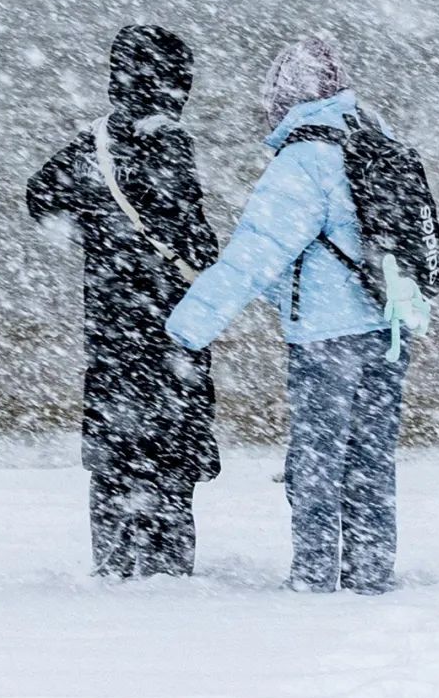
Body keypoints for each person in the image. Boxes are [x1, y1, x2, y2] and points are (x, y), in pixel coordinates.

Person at [166, 35, 410, 594]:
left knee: (317, 466)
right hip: (388, 326)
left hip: (328, 340)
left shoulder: (303, 161)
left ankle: (316, 580)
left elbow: (252, 256)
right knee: (371, 462)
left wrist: (186, 330)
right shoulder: (375, 139)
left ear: (281, 99)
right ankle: (370, 575)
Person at [26, 25, 219, 579]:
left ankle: (115, 561)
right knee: (171, 442)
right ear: (176, 81)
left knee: (116, 440)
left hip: (110, 322)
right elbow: (190, 234)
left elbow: (40, 194)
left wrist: (91, 237)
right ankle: (166, 565)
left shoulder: (95, 142)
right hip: (169, 322)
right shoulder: (170, 141)